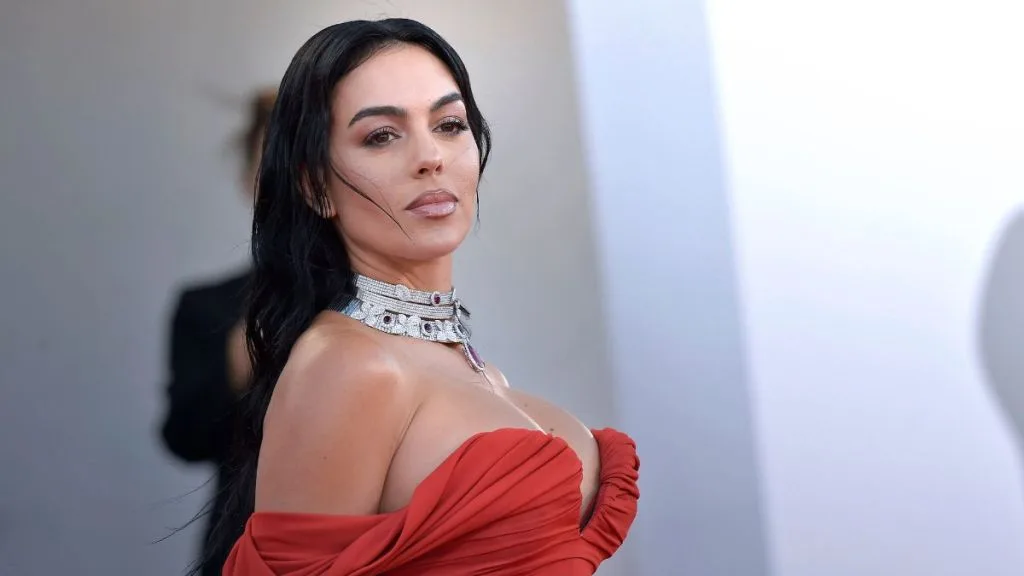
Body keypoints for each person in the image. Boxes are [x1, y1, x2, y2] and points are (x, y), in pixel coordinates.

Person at [209, 18, 640, 575]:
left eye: (449, 124)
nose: (430, 156)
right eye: (381, 136)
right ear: (316, 186)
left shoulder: (461, 363)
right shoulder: (348, 364)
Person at [160, 88, 276, 576]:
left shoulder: (387, 304)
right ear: (249, 178)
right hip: (242, 548)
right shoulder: (206, 306)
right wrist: (236, 359)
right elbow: (185, 438)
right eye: (273, 162)